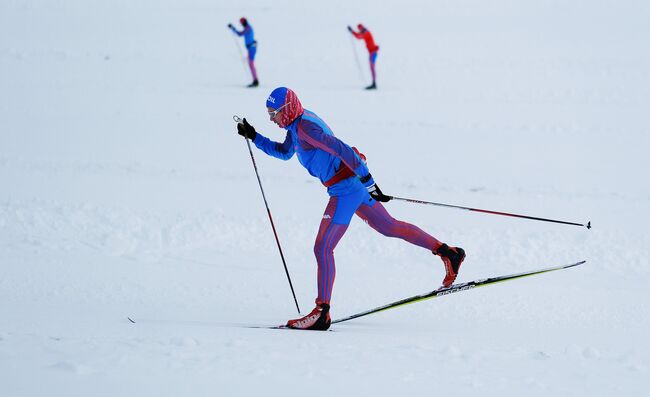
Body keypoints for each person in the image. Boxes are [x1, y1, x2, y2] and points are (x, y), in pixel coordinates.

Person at [236, 87, 465, 330]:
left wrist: (369, 182)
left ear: (288, 109)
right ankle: (448, 252)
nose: (272, 119)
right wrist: (254, 136)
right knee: (389, 226)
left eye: (275, 113)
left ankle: (322, 312)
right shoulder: (296, 126)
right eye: (269, 114)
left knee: (323, 247)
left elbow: (342, 149)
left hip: (346, 188)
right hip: (350, 185)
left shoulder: (305, 128)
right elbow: (284, 153)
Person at [228, 17, 259, 87]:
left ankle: (255, 80)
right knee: (251, 64)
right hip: (250, 48)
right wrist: (233, 28)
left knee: (251, 64)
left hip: (252, 48)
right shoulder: (247, 28)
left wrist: (233, 28)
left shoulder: (248, 28)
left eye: (242, 23)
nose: (241, 24)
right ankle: (255, 80)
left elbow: (240, 34)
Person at [348, 23, 379, 90]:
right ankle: (374, 83)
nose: (360, 31)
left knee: (372, 67)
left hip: (373, 53)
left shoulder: (366, 33)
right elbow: (359, 35)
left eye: (361, 29)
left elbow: (358, 37)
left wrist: (352, 31)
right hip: (372, 53)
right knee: (372, 68)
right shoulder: (365, 32)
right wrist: (352, 31)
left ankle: (374, 84)